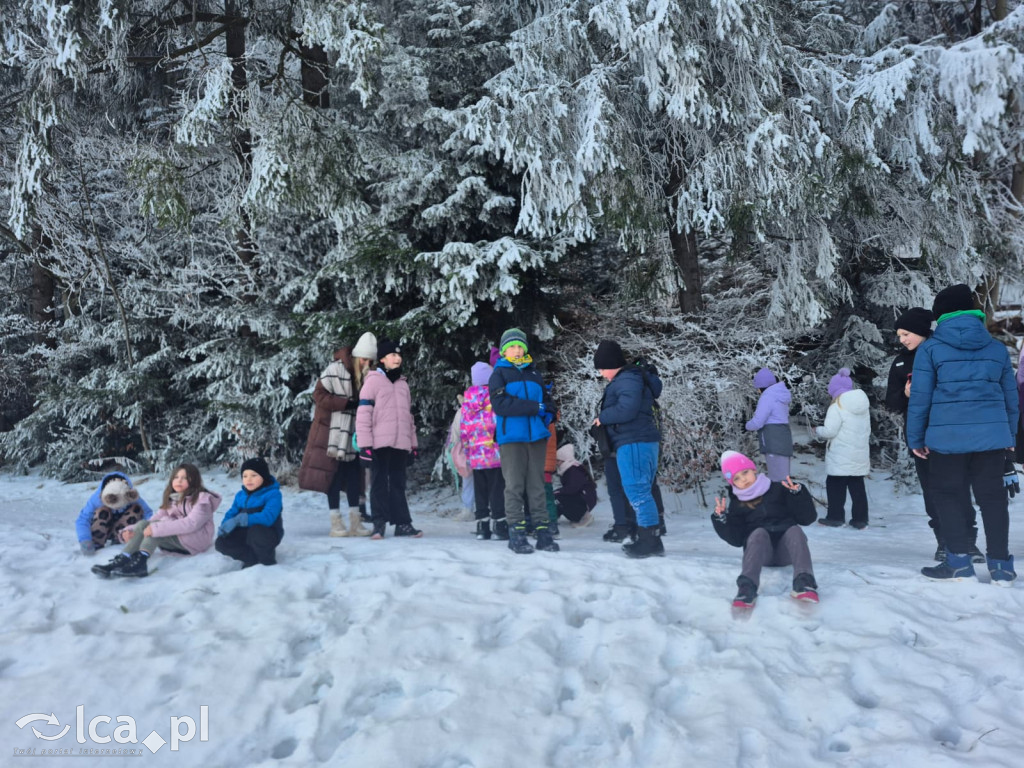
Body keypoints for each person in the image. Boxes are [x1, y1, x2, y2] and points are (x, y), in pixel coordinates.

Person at [907, 284, 1018, 584]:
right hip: (992, 438)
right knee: (993, 499)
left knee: (948, 495)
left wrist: (915, 438)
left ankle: (958, 561)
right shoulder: (996, 348)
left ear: (941, 314)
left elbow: (920, 398)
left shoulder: (930, 348)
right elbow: (1011, 398)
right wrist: (1010, 436)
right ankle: (1000, 566)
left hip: (946, 439)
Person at [884, 308, 982, 562]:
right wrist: (905, 396)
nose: (903, 339)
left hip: (951, 433)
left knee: (958, 487)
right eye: (899, 335)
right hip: (920, 438)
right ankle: (944, 541)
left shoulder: (945, 353)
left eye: (906, 333)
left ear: (920, 330)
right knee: (932, 490)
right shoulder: (901, 362)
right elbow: (891, 401)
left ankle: (969, 542)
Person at [713, 451, 819, 607]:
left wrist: (797, 495)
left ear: (753, 470)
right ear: (732, 483)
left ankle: (804, 582)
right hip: (761, 555)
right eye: (737, 478)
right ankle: (747, 587)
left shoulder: (778, 489)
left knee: (794, 530)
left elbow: (807, 518)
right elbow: (736, 539)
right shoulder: (737, 504)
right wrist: (722, 519)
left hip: (787, 552)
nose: (743, 479)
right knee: (758, 533)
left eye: (745, 472)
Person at [488, 328, 558, 554]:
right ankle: (516, 532)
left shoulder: (534, 373)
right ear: (505, 351)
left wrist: (547, 415)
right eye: (512, 347)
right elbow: (501, 405)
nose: (517, 351)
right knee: (514, 485)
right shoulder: (499, 374)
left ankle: (543, 532)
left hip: (536, 437)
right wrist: (533, 408)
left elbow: (548, 402)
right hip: (511, 438)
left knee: (537, 485)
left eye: (520, 347)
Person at [593, 339, 663, 558]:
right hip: (639, 440)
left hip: (634, 441)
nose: (602, 373)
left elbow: (627, 409)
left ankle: (649, 540)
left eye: (602, 368)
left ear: (611, 364)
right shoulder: (630, 379)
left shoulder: (627, 380)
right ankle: (650, 538)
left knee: (637, 490)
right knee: (641, 490)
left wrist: (602, 417)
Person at [92, 464, 221, 578]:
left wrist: (156, 529)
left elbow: (191, 524)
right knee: (146, 525)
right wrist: (130, 530)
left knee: (156, 529)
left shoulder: (203, 500)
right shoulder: (173, 498)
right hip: (180, 538)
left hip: (196, 541)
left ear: (194, 481)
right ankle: (123, 559)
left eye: (185, 478)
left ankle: (140, 563)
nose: (179, 481)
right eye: (176, 477)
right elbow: (155, 518)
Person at [297, 344, 369, 537]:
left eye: (370, 360)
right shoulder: (334, 370)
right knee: (333, 476)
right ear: (356, 357)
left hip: (354, 433)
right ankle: (335, 521)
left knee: (355, 476)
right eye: (364, 359)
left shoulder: (367, 376)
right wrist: (346, 403)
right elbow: (319, 395)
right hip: (331, 432)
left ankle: (356, 521)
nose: (366, 364)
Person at [356, 339, 423, 539]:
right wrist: (365, 445)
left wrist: (413, 444)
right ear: (382, 359)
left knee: (398, 483)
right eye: (393, 355)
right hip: (379, 442)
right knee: (378, 483)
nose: (397, 358)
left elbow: (408, 417)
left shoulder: (403, 385)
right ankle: (379, 523)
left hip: (400, 443)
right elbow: (364, 414)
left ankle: (402, 524)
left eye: (399, 355)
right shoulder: (373, 381)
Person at [815, 368, 871, 528]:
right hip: (859, 453)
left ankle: (835, 517)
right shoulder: (863, 406)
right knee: (857, 485)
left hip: (840, 453)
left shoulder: (837, 406)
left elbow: (830, 431)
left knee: (835, 485)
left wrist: (817, 430)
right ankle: (860, 519)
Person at [460, 362, 509, 540]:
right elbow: (499, 422)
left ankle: (483, 525)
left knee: (480, 490)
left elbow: (464, 428)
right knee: (497, 489)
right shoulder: (494, 397)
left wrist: (468, 449)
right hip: (494, 454)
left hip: (476, 456)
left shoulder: (468, 401)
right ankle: (500, 522)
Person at [215, 457, 285, 568]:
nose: (249, 479)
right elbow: (231, 513)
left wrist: (240, 519)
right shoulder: (240, 495)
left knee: (256, 531)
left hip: (267, 533)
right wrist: (225, 525)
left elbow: (267, 517)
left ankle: (267, 561)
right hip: (246, 534)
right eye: (245, 476)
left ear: (264, 476)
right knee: (221, 543)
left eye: (254, 475)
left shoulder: (273, 494)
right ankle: (250, 558)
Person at [76, 472, 153, 555]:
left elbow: (148, 514)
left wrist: (148, 531)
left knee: (136, 509)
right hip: (103, 528)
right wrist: (85, 539)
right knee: (102, 511)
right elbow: (83, 519)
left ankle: (119, 539)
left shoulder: (131, 495)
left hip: (123, 530)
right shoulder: (96, 500)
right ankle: (96, 542)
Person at [744, 367, 793, 482]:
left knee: (777, 479)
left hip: (773, 440)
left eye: (758, 388)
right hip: (783, 438)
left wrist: (746, 425)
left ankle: (780, 499)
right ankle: (783, 497)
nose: (757, 391)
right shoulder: (779, 395)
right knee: (783, 476)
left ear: (762, 386)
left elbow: (758, 422)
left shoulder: (767, 397)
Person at [554, 444, 597, 527]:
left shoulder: (573, 470)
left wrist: (558, 491)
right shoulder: (571, 469)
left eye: (558, 460)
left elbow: (572, 488)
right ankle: (553, 517)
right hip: (583, 498)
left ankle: (584, 516)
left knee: (560, 497)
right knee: (558, 496)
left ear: (564, 460)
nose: (556, 463)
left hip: (584, 500)